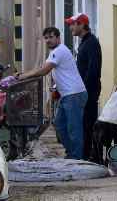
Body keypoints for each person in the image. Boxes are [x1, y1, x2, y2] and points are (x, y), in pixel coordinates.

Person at [18, 27, 87, 159]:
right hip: (67, 95)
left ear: (58, 38)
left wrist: (23, 76)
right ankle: (72, 153)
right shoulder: (55, 52)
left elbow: (44, 70)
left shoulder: (59, 51)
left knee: (74, 129)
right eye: (46, 38)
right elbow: (42, 68)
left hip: (74, 95)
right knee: (59, 124)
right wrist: (24, 75)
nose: (48, 40)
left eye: (51, 37)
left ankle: (77, 158)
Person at [68, 13, 102, 160]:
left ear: (82, 24)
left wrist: (84, 90)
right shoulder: (84, 42)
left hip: (88, 92)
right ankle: (83, 155)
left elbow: (93, 70)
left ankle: (86, 157)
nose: (71, 28)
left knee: (87, 126)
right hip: (82, 92)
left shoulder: (92, 43)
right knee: (82, 125)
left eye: (73, 24)